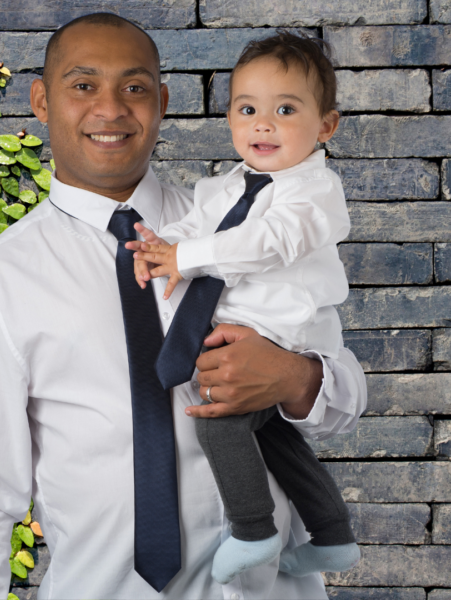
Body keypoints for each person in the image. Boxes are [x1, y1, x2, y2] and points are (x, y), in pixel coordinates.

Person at [0, 13, 367, 600]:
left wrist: (294, 376)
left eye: (134, 88)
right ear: (40, 101)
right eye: (83, 85)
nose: (110, 109)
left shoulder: (235, 228)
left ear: (161, 101)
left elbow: (347, 397)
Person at [127, 31, 361, 585]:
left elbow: (267, 241)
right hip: (248, 330)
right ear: (230, 117)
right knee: (273, 434)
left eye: (286, 109)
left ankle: (253, 529)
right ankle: (332, 535)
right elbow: (197, 227)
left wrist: (188, 256)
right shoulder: (225, 187)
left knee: (220, 422)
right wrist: (161, 246)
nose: (263, 124)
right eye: (247, 109)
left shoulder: (313, 191)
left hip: (287, 334)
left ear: (325, 126)